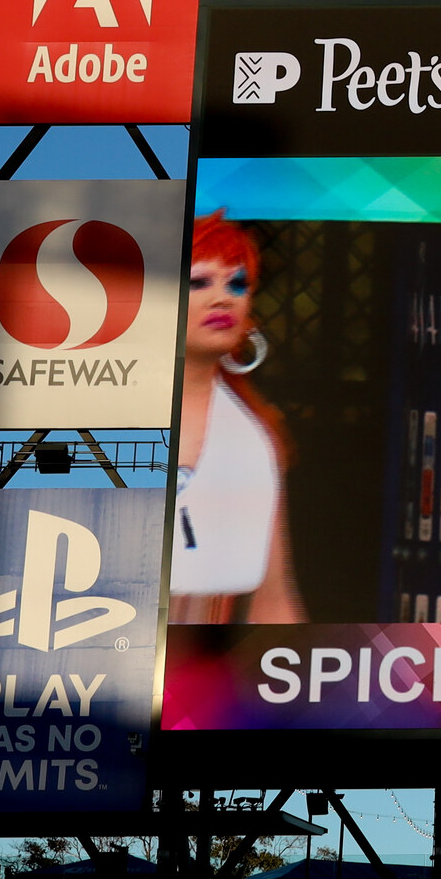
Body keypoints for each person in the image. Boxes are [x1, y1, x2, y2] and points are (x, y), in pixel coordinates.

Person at [168, 211, 305, 625]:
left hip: (208, 664)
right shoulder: (96, 417)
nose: (224, 297)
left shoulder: (255, 434)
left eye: (238, 284)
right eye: (199, 282)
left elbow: (275, 600)